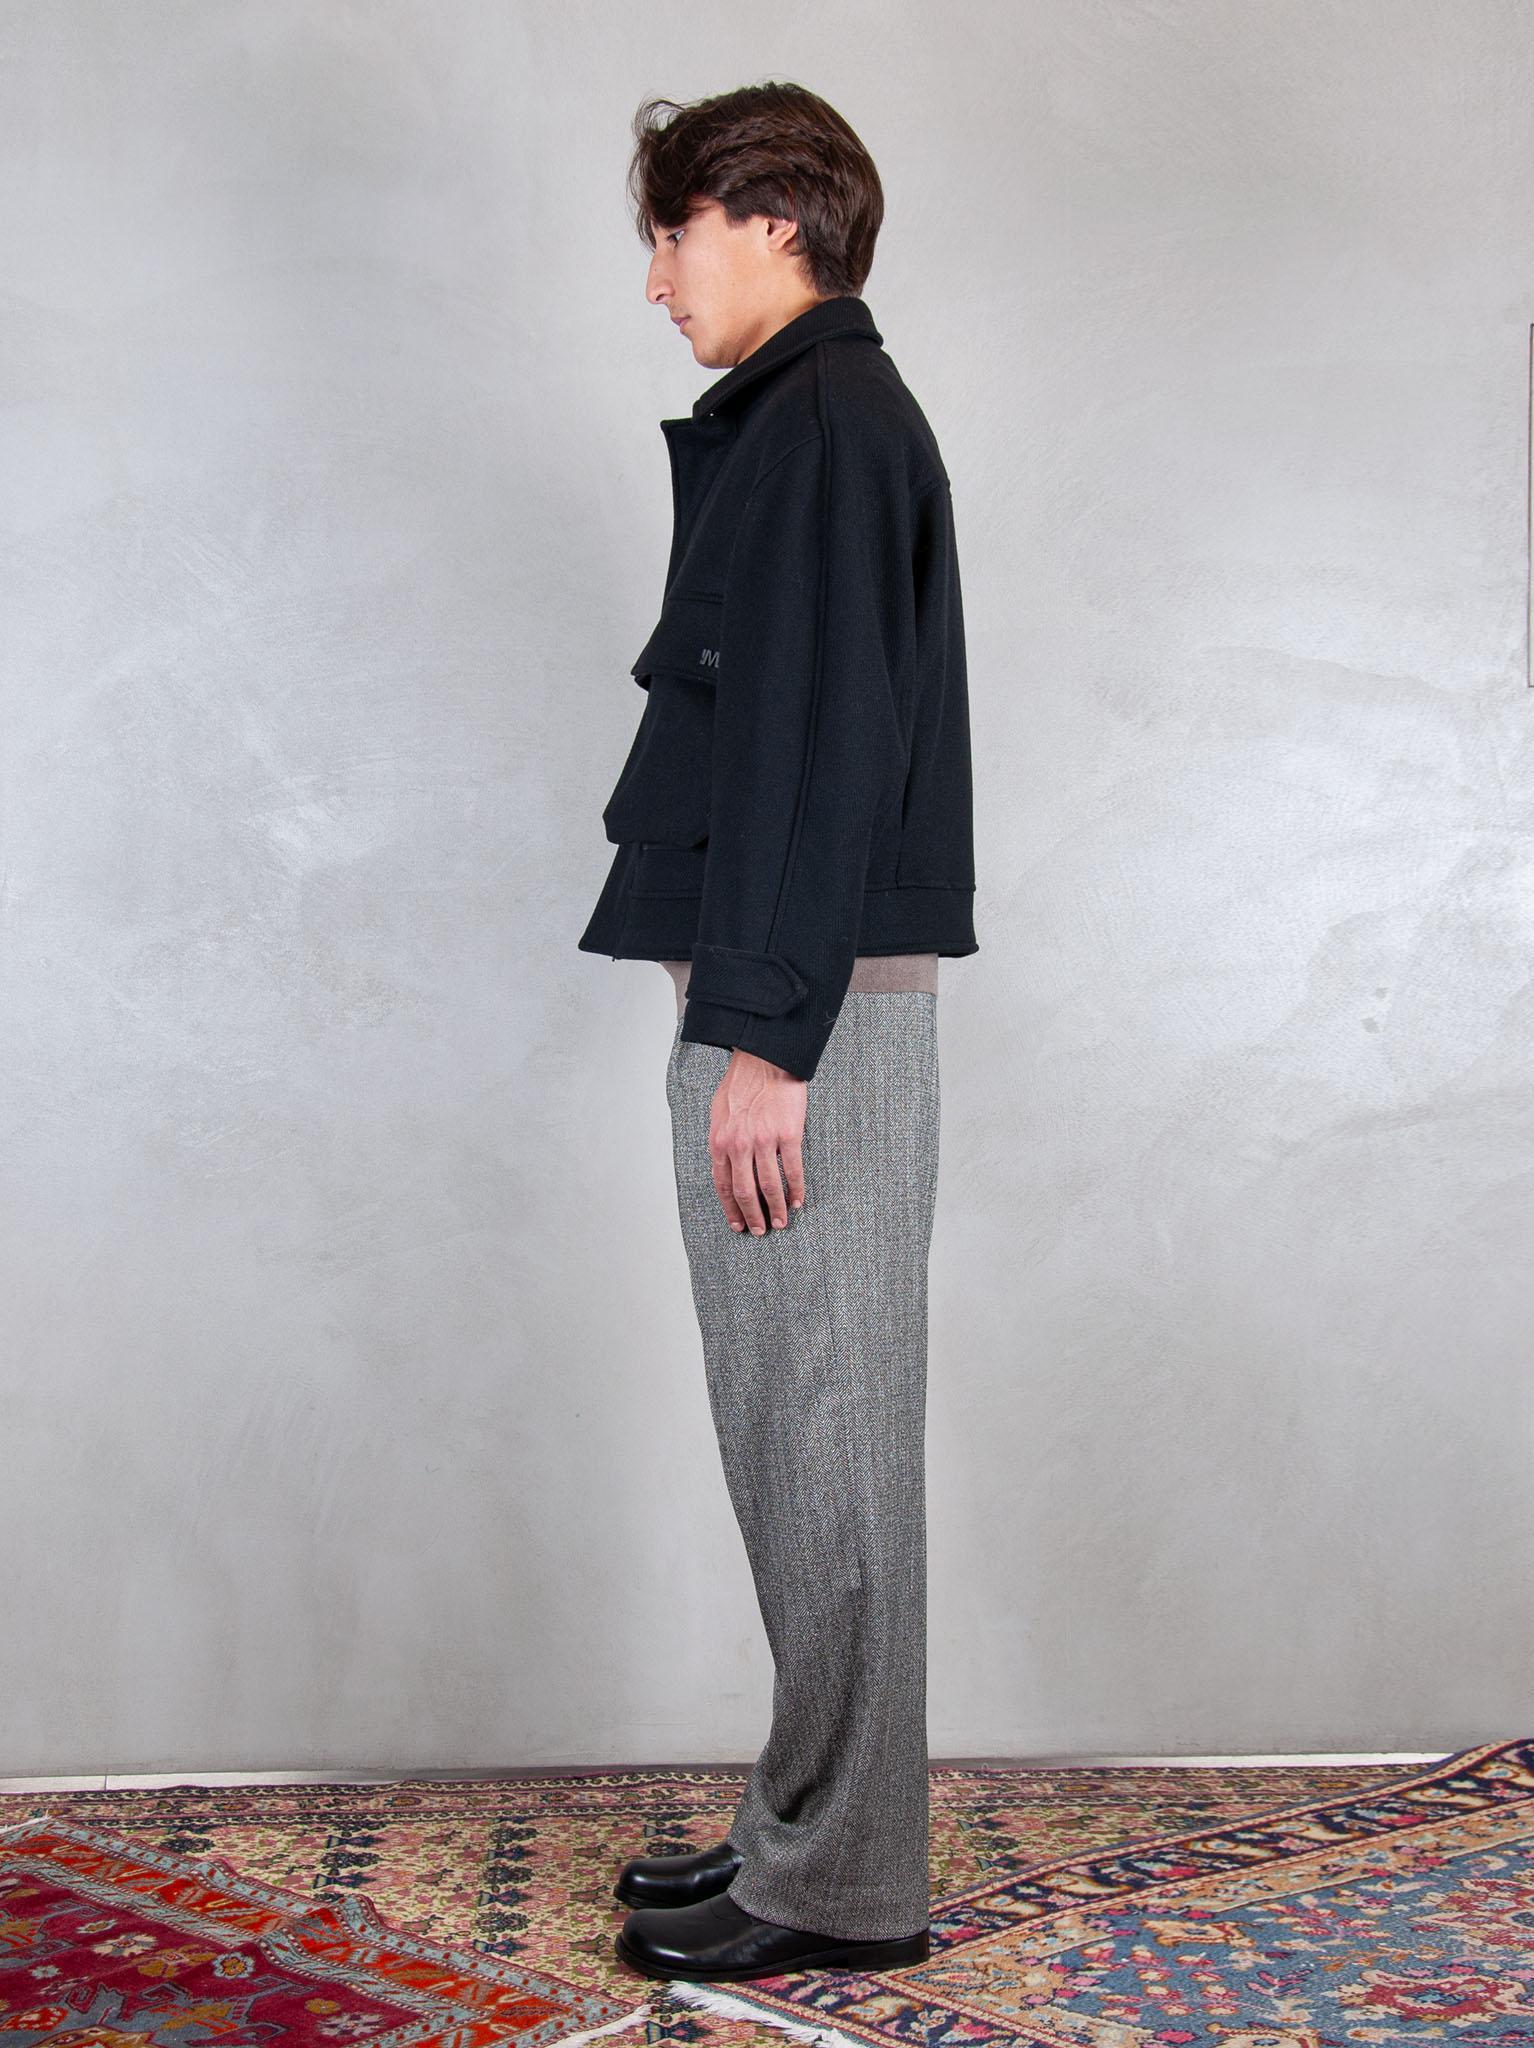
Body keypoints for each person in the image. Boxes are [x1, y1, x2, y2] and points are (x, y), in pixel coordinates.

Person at [577, 79, 978, 1983]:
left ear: (765, 218)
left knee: (825, 1442)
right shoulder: (802, 421)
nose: (655, 278)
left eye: (670, 233)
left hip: (798, 1025)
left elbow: (825, 755)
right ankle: (804, 1827)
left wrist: (764, 1044)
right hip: (787, 1006)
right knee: (795, 1436)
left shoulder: (821, 425)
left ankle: (841, 1886)